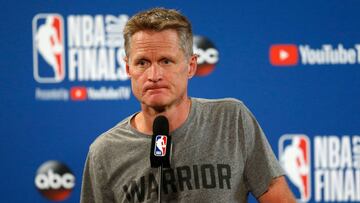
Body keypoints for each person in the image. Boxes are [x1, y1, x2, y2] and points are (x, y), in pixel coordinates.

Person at [80, 7, 296, 203]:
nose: (154, 75)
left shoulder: (231, 119)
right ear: (128, 69)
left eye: (166, 61)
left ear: (191, 66)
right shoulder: (104, 152)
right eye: (142, 63)